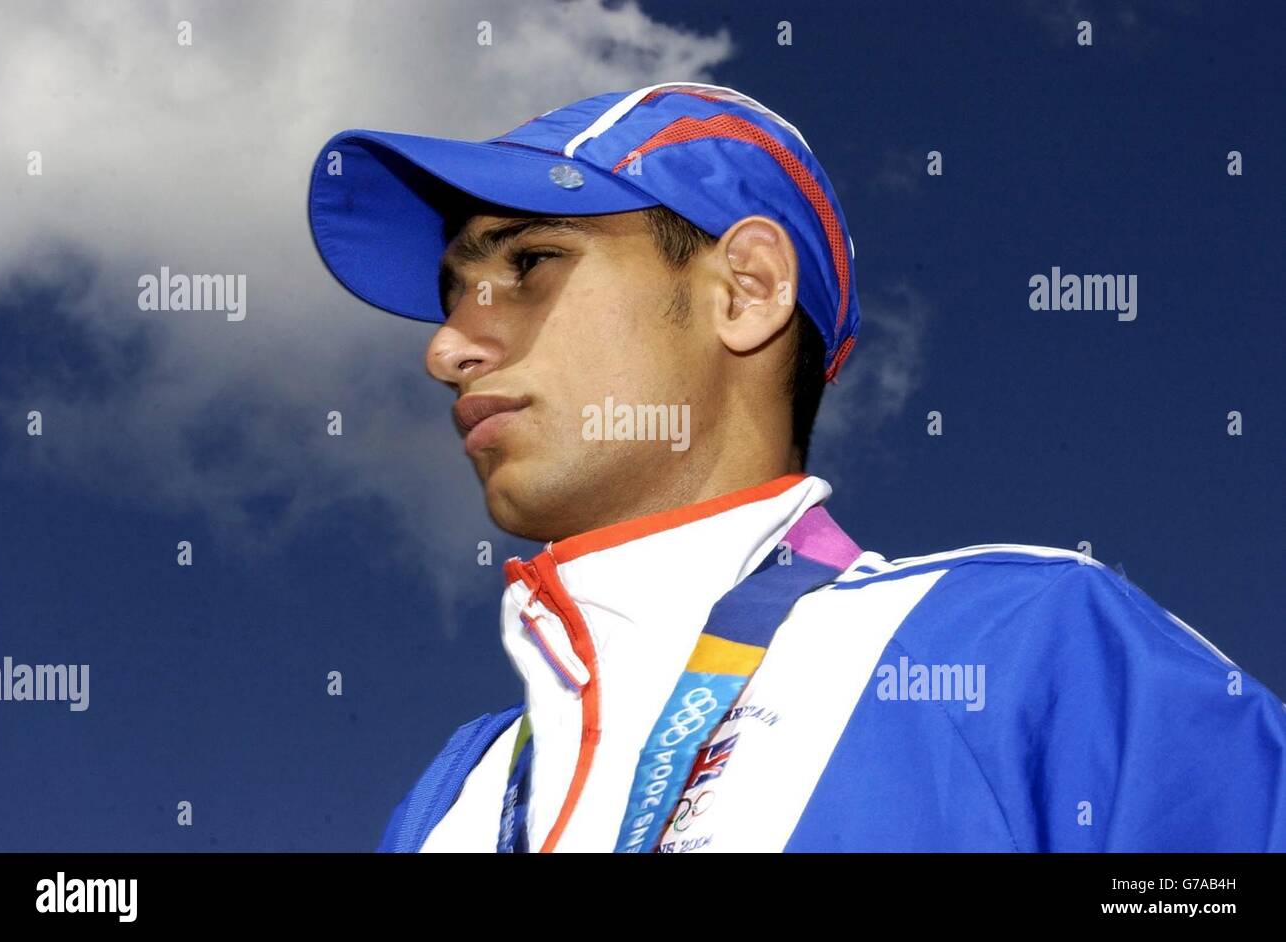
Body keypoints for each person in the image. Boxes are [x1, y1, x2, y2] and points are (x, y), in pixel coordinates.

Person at [308, 82, 1286, 853]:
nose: (445, 350)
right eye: (452, 296)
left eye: (526, 264)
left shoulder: (1029, 647)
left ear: (748, 289)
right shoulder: (459, 791)